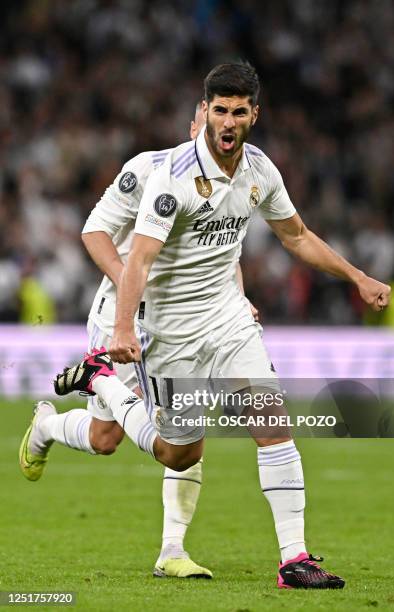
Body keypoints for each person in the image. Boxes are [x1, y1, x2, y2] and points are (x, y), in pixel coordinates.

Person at [53, 62, 390, 589]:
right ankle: (102, 381)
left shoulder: (259, 171)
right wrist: (122, 332)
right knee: (177, 451)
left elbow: (296, 235)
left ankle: (294, 559)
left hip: (229, 321)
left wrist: (357, 276)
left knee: (273, 421)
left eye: (239, 111)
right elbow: (137, 260)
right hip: (173, 333)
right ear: (203, 113)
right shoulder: (170, 177)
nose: (228, 122)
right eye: (220, 110)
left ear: (254, 114)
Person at [19, 105, 259, 579]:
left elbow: (223, 255)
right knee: (104, 438)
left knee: (186, 431)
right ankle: (46, 426)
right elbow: (94, 230)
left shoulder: (230, 183)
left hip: (187, 325)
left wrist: (239, 299)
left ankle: (173, 549)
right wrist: (130, 281)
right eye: (207, 124)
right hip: (120, 317)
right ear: (194, 127)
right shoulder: (147, 170)